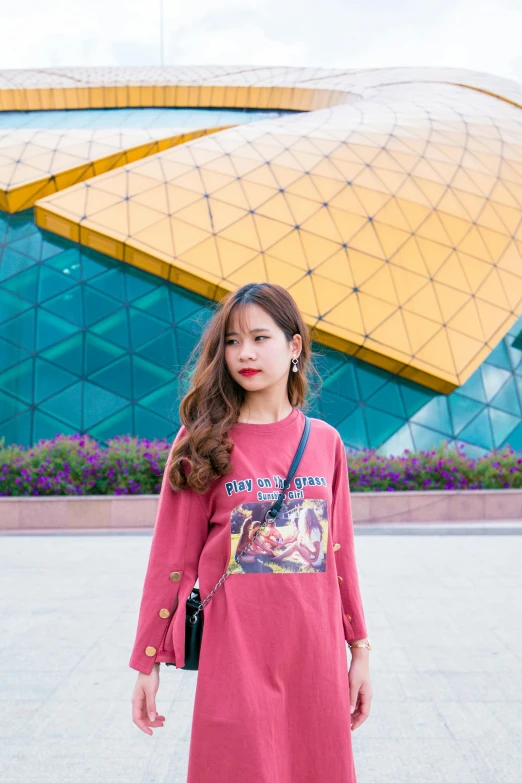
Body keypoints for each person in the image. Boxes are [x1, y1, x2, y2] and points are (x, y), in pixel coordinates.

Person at [129, 282, 372, 783]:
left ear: (294, 346)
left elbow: (340, 556)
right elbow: (172, 559)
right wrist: (147, 661)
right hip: (234, 657)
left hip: (313, 659)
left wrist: (359, 649)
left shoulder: (325, 442)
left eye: (260, 338)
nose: (245, 354)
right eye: (233, 342)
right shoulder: (202, 441)